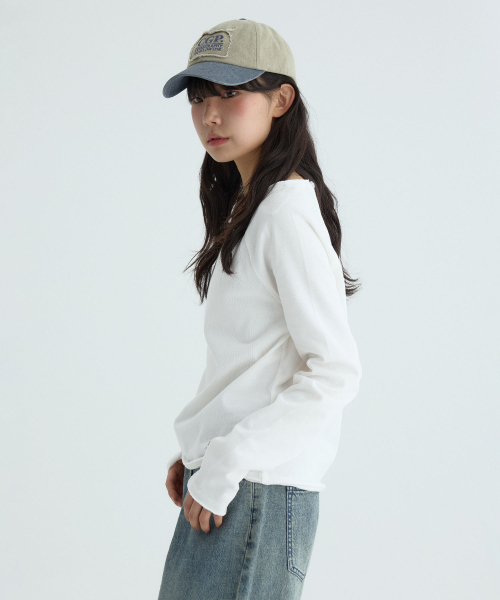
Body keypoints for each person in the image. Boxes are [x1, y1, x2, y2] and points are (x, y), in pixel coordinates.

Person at [156, 18, 363, 600]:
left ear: (281, 100)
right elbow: (256, 361)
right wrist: (203, 450)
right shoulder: (254, 210)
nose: (210, 115)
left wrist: (227, 459)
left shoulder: (287, 214)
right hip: (233, 484)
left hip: (255, 492)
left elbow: (334, 372)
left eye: (229, 93)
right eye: (199, 98)